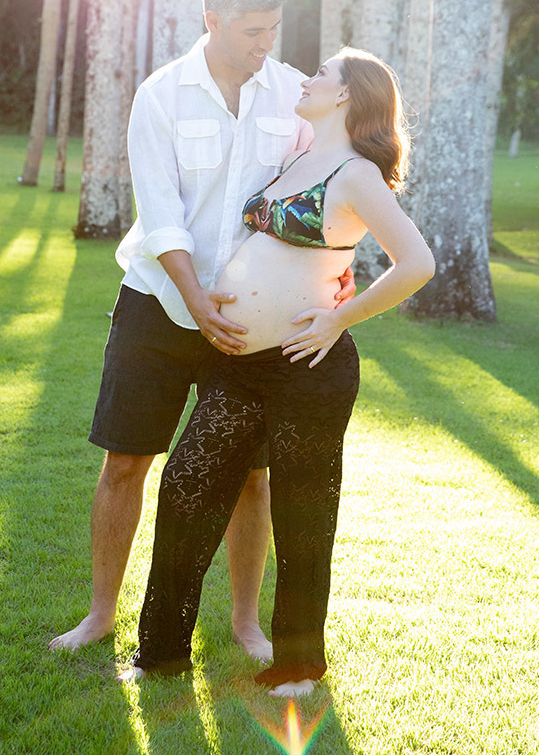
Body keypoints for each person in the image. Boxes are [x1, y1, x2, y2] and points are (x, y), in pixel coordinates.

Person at [49, 0, 354, 657]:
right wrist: (195, 299)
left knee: (252, 477)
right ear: (212, 22)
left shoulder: (292, 97)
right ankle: (99, 616)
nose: (266, 45)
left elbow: (322, 193)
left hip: (251, 322)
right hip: (158, 304)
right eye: (252, 31)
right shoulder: (160, 97)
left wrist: (339, 271)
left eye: (274, 29)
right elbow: (160, 218)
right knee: (125, 462)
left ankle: (245, 623)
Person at [120, 48, 435, 695]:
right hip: (242, 364)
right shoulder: (299, 156)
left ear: (347, 95)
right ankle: (161, 653)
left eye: (322, 74)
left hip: (307, 369)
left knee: (303, 511)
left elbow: (416, 262)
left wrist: (339, 319)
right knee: (185, 486)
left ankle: (298, 664)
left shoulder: (354, 175)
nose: (308, 78)